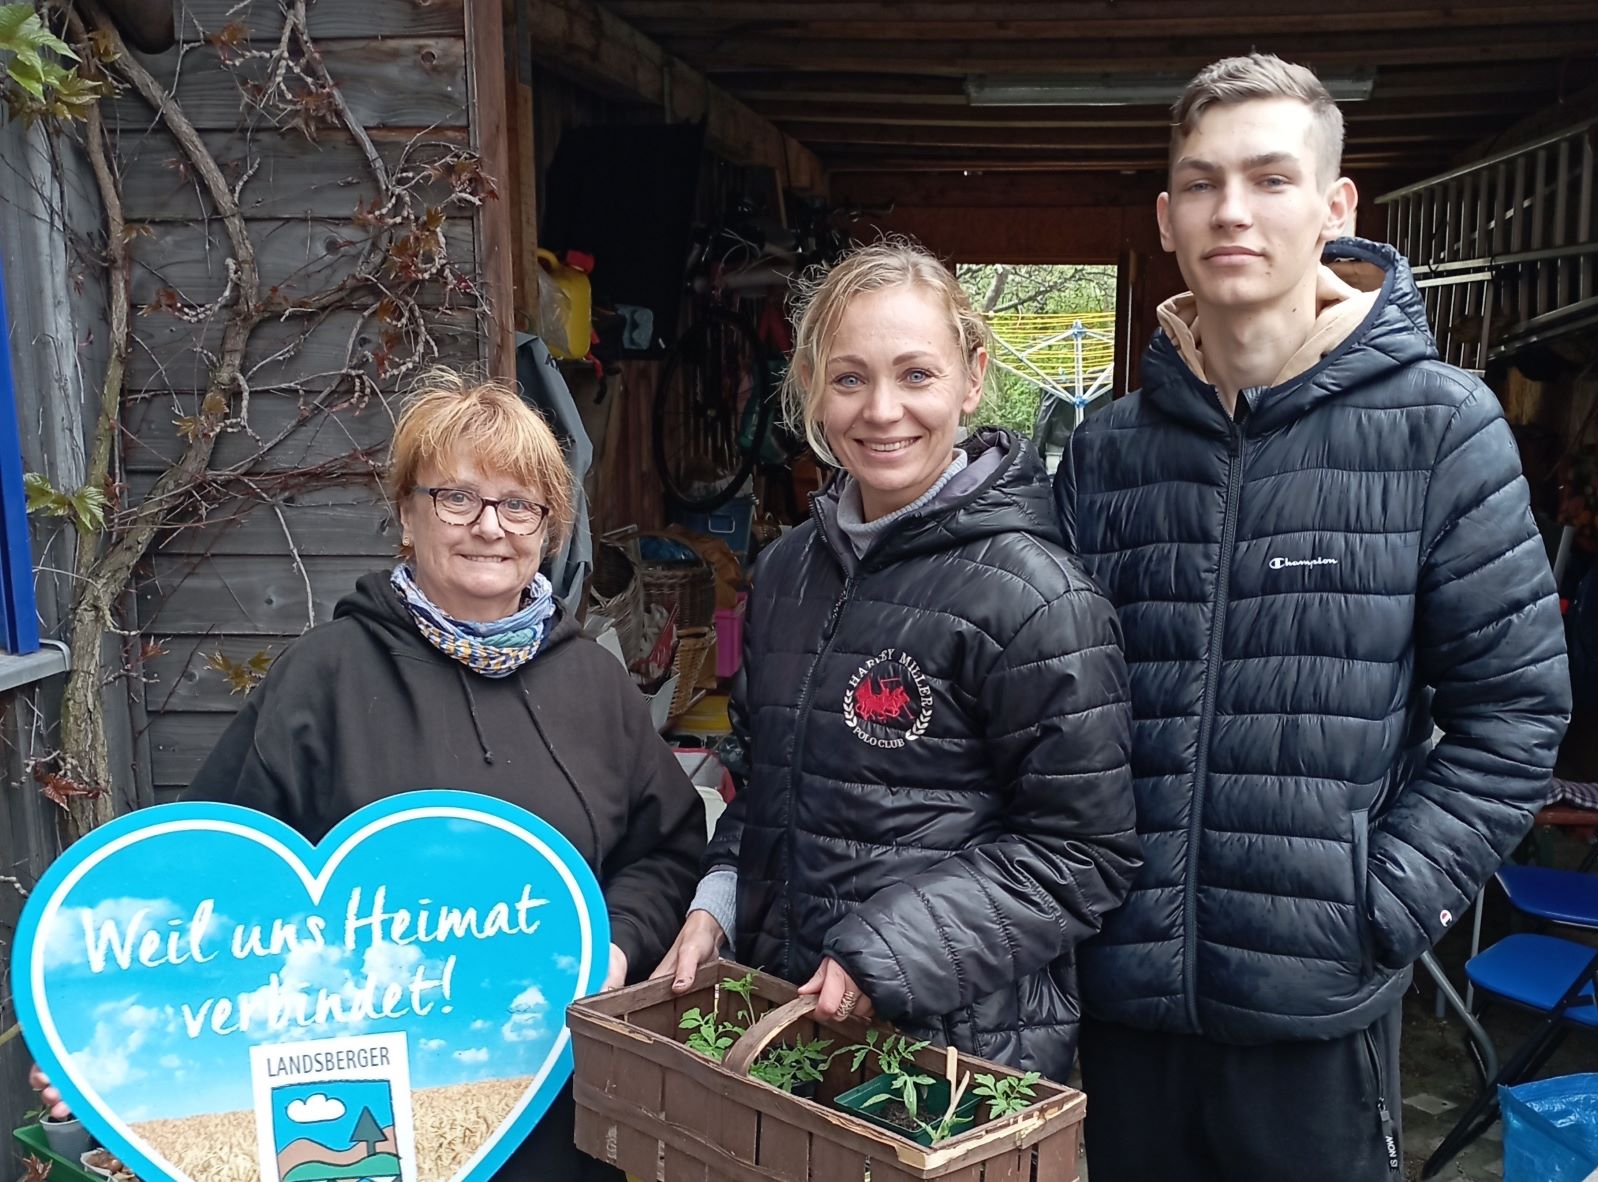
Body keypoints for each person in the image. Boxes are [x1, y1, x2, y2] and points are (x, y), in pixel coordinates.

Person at [1055, 55, 1572, 1179]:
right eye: (1200, 183)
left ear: (1337, 207)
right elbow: (1053, 706)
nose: (1231, 210)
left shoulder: (1440, 429)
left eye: (1270, 178)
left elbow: (1515, 719)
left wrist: (1376, 907)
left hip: (1313, 1018)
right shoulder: (1108, 451)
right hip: (1118, 1004)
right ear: (1166, 215)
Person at [40, 371, 704, 1181]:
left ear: (548, 527)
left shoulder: (594, 687)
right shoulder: (324, 678)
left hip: (560, 1094)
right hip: (366, 1110)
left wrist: (612, 945)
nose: (489, 527)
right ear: (406, 514)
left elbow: (666, 852)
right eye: (456, 498)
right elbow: (211, 889)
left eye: (518, 504)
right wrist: (99, 1045)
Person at [650, 241, 1141, 1079]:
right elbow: (763, 780)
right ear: (809, 386)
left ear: (972, 377)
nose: (882, 411)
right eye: (849, 379)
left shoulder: (1035, 596)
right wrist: (715, 905)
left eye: (915, 375)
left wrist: (888, 957)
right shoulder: (786, 570)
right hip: (789, 1012)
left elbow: (1083, 855)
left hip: (953, 1049)